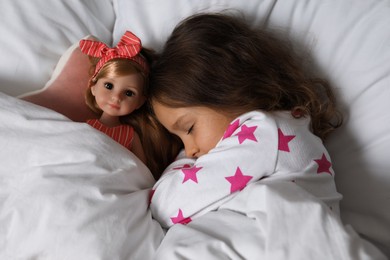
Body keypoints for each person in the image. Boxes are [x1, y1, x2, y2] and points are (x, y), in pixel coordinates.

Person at [147, 13, 343, 228]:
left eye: (189, 128)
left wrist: (182, 162)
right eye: (181, 141)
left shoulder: (266, 133)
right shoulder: (284, 128)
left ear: (227, 90)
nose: (190, 150)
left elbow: (165, 206)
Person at [80, 31, 182, 177]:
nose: (116, 98)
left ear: (140, 101)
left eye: (129, 93)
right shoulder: (88, 127)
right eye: (108, 86)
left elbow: (141, 169)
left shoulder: (129, 134)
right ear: (93, 86)